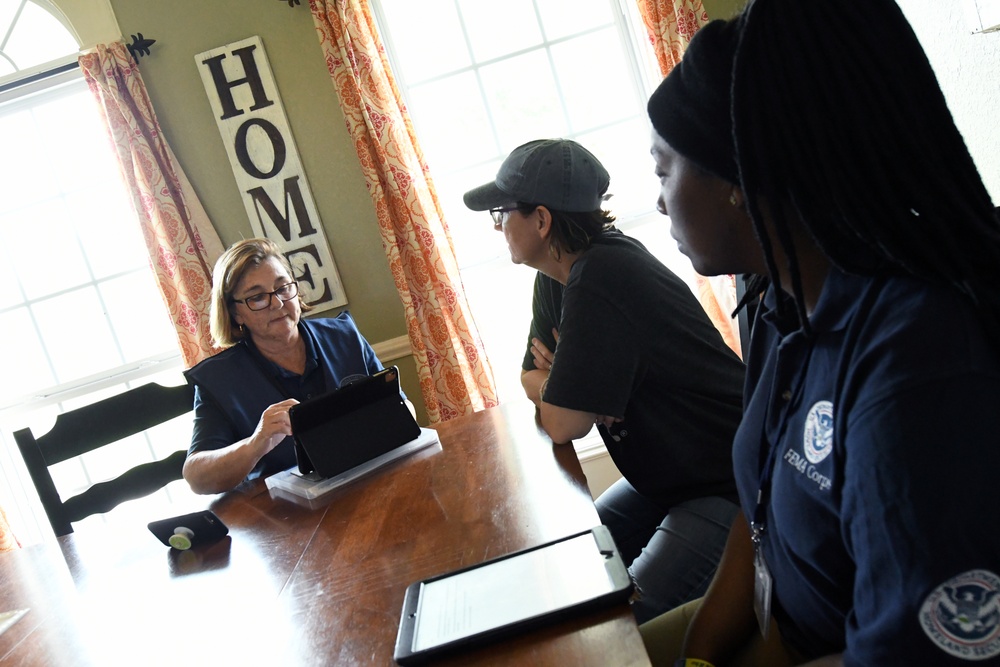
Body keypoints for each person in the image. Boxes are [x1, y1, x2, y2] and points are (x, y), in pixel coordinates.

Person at [641, 4, 1000, 666]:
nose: (659, 199)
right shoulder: (782, 308)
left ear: (736, 184)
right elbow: (760, 519)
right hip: (773, 627)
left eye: (664, 168)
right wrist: (698, 656)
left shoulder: (914, 372)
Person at [463, 139, 746, 623]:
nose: (497, 225)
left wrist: (563, 388)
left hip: (727, 481)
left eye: (502, 212)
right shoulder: (556, 280)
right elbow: (529, 377)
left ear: (542, 220)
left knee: (618, 620)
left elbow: (562, 424)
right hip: (665, 478)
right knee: (566, 564)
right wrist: (561, 382)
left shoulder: (602, 274)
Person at [183, 238, 411, 494]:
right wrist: (256, 443)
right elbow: (197, 477)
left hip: (375, 481)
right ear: (236, 313)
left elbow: (403, 407)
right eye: (257, 297)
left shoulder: (344, 335)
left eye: (282, 288)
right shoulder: (219, 380)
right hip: (290, 512)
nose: (278, 303)